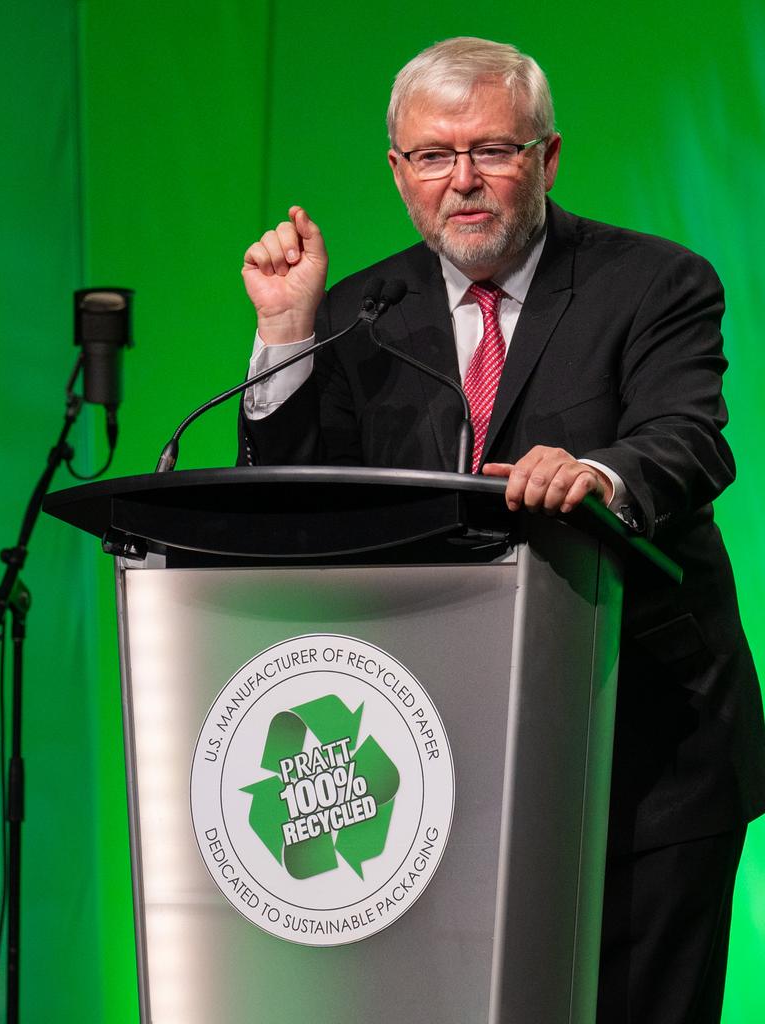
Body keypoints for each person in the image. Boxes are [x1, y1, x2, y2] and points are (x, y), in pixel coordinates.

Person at [237, 36, 765, 1023]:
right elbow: (291, 496)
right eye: (435, 156)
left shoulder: (653, 283)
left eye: (495, 149)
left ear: (549, 157)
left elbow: (691, 439)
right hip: (439, 753)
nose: (464, 180)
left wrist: (599, 473)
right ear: (399, 173)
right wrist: (282, 335)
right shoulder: (359, 312)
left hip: (646, 749)